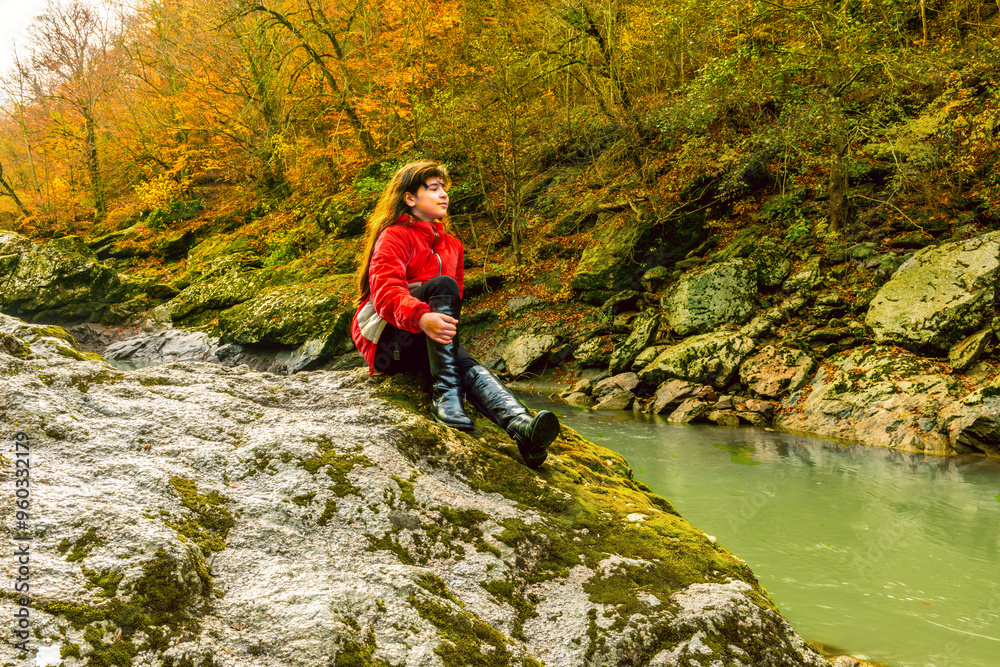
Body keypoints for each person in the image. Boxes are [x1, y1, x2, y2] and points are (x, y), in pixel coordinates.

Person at [350, 160, 560, 468]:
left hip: (426, 342)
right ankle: (446, 399)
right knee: (442, 285)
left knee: (464, 361)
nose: (443, 194)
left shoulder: (453, 246)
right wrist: (421, 317)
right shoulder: (394, 236)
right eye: (433, 188)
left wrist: (435, 327)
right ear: (409, 198)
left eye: (444, 188)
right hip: (388, 345)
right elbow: (386, 294)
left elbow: (453, 304)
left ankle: (522, 428)